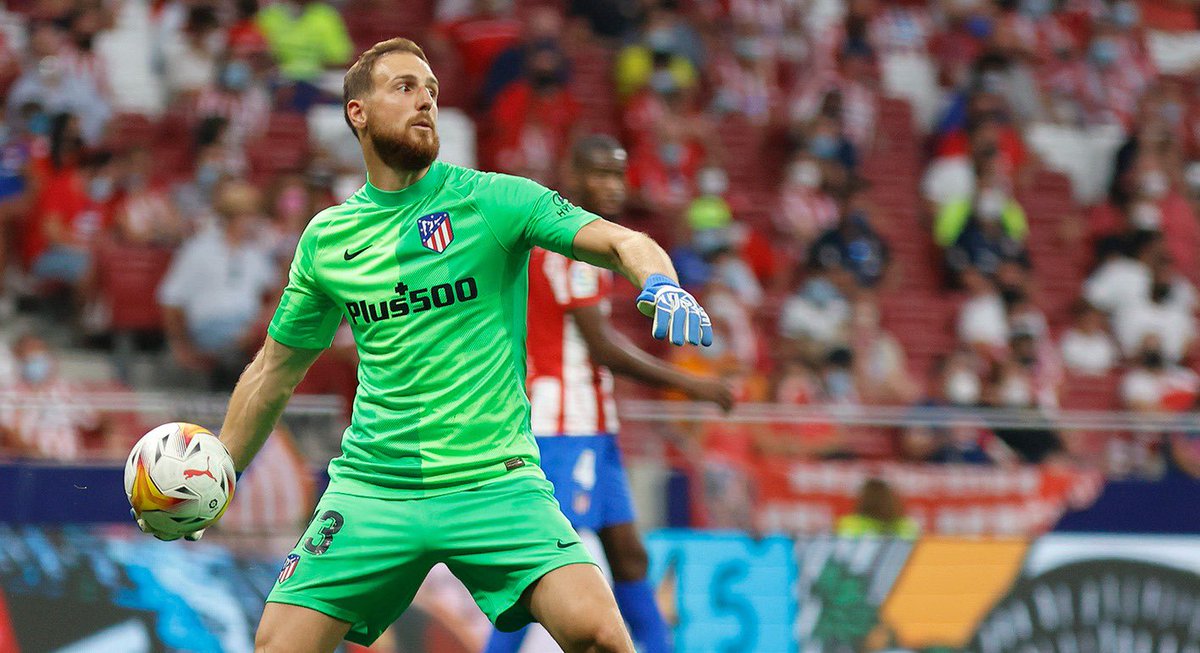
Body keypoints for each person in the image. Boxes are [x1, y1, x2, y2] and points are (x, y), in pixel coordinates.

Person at [131, 38, 716, 653]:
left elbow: (622, 241)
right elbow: (274, 370)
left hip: (495, 481)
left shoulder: (494, 200)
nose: (425, 103)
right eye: (405, 88)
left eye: (432, 92)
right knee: (276, 647)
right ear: (358, 113)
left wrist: (661, 283)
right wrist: (221, 474)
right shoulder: (329, 238)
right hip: (371, 489)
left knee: (601, 636)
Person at [484, 136, 733, 653]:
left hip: (594, 426)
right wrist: (694, 386)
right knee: (542, 567)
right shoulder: (564, 241)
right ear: (570, 171)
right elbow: (602, 347)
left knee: (629, 557)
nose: (611, 186)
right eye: (599, 174)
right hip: (562, 426)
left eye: (619, 175)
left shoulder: (587, 242)